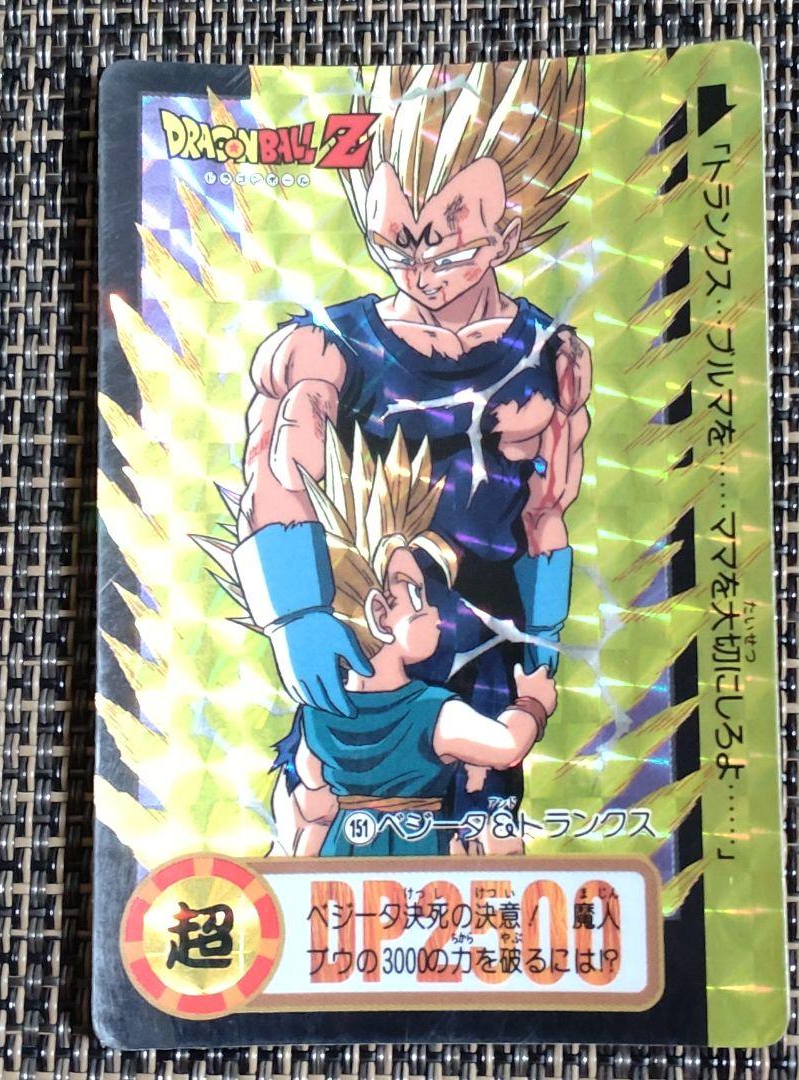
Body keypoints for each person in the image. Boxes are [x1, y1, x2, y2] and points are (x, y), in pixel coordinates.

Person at [230, 61, 590, 843]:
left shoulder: (548, 358)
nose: (420, 269)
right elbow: (275, 466)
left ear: (508, 236)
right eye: (394, 243)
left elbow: (547, 509)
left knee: (479, 866)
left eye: (446, 247)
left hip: (486, 661)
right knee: (323, 848)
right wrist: (293, 614)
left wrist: (545, 635)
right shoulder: (328, 347)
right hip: (367, 655)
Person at [272, 427, 556, 857]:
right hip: (415, 861)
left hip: (341, 860)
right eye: (418, 597)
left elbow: (314, 801)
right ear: (379, 615)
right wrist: (533, 703)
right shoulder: (431, 710)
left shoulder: (317, 716)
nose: (435, 612)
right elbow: (506, 747)